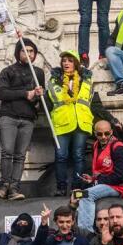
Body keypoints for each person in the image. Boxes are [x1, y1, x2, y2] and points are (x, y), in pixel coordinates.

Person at [0, 38, 47, 200]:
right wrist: (26, 93)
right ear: (18, 53)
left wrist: (39, 96)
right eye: (25, 50)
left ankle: (14, 188)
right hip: (9, 116)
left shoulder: (38, 73)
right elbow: (1, 93)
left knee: (20, 155)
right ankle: (4, 185)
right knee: (7, 151)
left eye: (31, 51)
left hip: (28, 118)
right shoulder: (8, 71)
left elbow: (41, 102)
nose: (28, 54)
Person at [47, 51, 94, 196]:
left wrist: (111, 120)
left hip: (81, 123)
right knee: (61, 155)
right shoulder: (54, 81)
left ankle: (76, 188)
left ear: (76, 63)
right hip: (62, 123)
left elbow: (94, 104)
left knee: (79, 155)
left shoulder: (86, 81)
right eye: (64, 61)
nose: (66, 63)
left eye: (70, 60)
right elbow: (48, 103)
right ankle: (61, 188)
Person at [76, 124, 123, 233]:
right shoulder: (96, 145)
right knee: (77, 194)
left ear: (111, 132)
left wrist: (97, 181)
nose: (103, 137)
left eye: (106, 133)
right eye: (99, 134)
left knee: (85, 195)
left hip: (121, 187)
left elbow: (120, 177)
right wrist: (92, 179)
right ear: (95, 134)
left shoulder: (119, 148)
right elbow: (103, 171)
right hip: (105, 184)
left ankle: (85, 233)